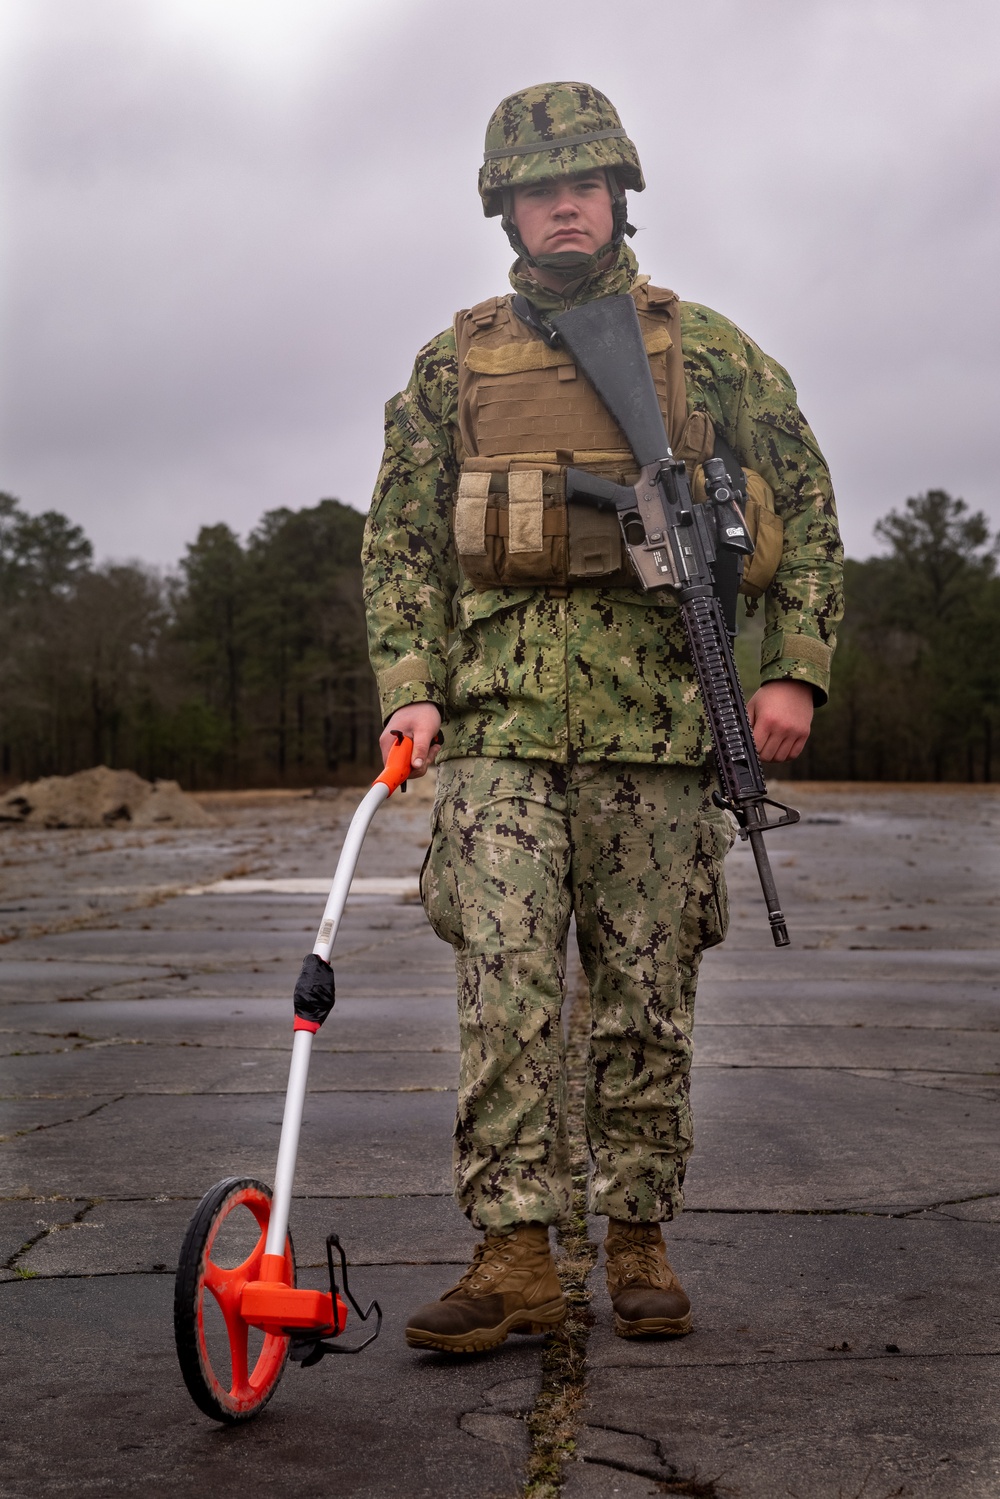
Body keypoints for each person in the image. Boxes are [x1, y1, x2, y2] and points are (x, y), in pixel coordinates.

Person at [362, 81, 843, 1354]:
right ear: (503, 209)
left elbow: (806, 504)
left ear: (618, 196)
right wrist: (408, 686)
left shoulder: (712, 350)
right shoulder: (450, 363)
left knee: (644, 992)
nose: (561, 205)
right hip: (500, 725)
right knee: (504, 984)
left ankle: (635, 1233)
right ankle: (516, 1251)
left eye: (582, 184)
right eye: (536, 188)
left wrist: (790, 667)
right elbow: (400, 544)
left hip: (661, 730)